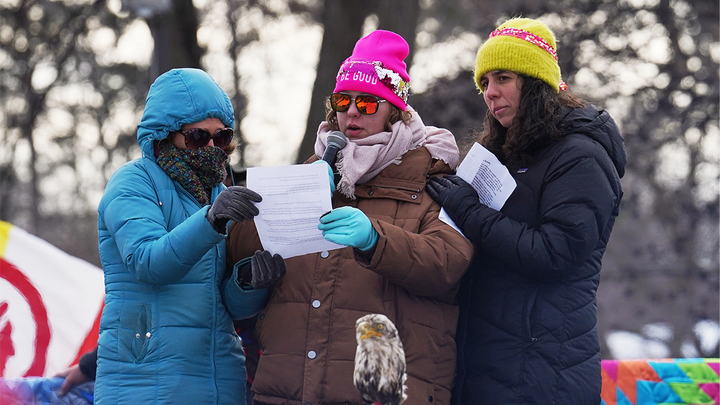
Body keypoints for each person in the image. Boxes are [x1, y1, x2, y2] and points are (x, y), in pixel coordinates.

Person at [226, 30, 474, 405]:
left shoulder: (433, 180)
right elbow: (239, 250)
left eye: (369, 103)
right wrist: (269, 206)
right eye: (343, 100)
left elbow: (448, 263)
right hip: (288, 391)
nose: (352, 111)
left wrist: (377, 240)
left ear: (396, 110)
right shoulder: (311, 175)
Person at [425, 17, 627, 405]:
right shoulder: (501, 154)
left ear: (535, 83)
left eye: (503, 78)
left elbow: (556, 254)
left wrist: (469, 211)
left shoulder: (581, 155)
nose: (490, 93)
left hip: (542, 373)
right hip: (484, 364)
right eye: (484, 83)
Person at [95, 68, 286, 405]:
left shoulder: (217, 192)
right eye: (199, 137)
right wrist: (210, 220)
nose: (212, 147)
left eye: (222, 137)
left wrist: (248, 282)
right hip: (148, 382)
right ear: (165, 135)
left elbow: (225, 306)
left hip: (220, 381)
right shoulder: (133, 182)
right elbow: (148, 262)